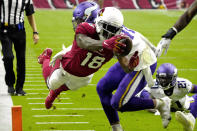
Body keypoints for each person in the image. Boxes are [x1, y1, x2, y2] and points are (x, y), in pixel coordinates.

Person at [38, 5, 131, 109]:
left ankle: (55, 92)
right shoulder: (86, 27)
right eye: (108, 28)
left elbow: (126, 66)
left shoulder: (116, 42)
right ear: (99, 23)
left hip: (85, 76)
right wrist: (105, 43)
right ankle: (45, 58)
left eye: (114, 29)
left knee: (73, 86)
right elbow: (83, 42)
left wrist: (131, 65)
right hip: (67, 65)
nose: (110, 33)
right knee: (52, 84)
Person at [96, 13, 173, 131]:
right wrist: (152, 47)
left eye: (102, 24)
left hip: (142, 64)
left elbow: (127, 65)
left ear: (111, 27)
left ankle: (161, 103)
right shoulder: (116, 30)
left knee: (119, 103)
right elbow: (137, 35)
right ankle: (116, 127)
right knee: (102, 87)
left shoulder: (120, 40)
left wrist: (150, 80)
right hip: (131, 58)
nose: (99, 27)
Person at [139, 63, 197, 131]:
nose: (163, 81)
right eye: (161, 78)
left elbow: (195, 88)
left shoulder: (182, 84)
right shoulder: (155, 84)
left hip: (183, 105)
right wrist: (151, 103)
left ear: (174, 78)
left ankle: (191, 119)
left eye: (167, 79)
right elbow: (144, 92)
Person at [0, 0, 39, 95]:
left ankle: (19, 88)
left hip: (19, 30)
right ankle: (10, 83)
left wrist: (35, 32)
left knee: (21, 59)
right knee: (8, 57)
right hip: (4, 29)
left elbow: (30, 14)